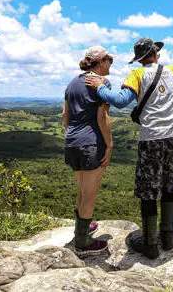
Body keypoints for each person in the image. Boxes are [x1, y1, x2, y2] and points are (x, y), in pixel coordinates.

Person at [85, 37, 173, 259]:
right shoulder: (172, 72)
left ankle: (150, 243)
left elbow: (120, 101)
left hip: (152, 139)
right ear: (156, 54)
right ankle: (167, 235)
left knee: (148, 189)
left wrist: (100, 88)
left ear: (139, 59)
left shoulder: (137, 75)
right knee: (170, 183)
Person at [63, 45, 114, 256]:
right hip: (91, 144)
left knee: (83, 191)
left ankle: (81, 229)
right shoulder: (101, 83)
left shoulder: (72, 83)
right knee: (90, 195)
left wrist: (75, 135)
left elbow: (65, 117)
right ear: (100, 62)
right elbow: (102, 118)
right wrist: (109, 145)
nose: (111, 63)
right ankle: (83, 243)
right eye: (109, 59)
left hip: (72, 142)